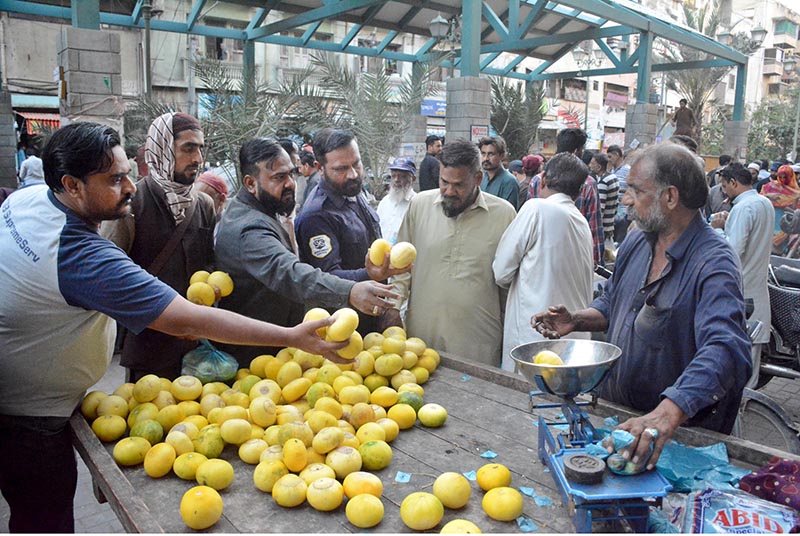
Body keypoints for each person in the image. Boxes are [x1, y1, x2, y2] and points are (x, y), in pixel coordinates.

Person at [0, 122, 346, 533]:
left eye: (128, 172)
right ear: (72, 185)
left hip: (26, 391)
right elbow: (185, 317)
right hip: (30, 416)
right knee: (45, 520)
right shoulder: (80, 255)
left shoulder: (28, 200)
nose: (130, 185)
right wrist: (291, 337)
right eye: (115, 179)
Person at [534, 142, 751, 470]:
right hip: (617, 420)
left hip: (671, 439)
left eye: (635, 190)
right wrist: (576, 319)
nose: (625, 199)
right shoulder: (638, 241)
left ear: (670, 197)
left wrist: (668, 412)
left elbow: (725, 350)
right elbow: (613, 300)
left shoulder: (714, 263)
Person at [214, 137, 398, 365]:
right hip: (256, 359)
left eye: (292, 174)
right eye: (279, 177)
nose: (291, 183)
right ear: (251, 183)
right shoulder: (249, 228)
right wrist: (350, 291)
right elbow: (289, 272)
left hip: (275, 352)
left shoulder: (259, 212)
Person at [101, 112, 217, 381]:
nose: (198, 159)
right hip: (149, 352)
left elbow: (211, 263)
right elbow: (109, 278)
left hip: (198, 349)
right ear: (162, 147)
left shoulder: (203, 205)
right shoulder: (130, 205)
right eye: (188, 149)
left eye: (200, 149)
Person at [383, 139, 516, 366]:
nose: (449, 191)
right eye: (444, 182)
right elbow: (400, 268)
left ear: (478, 179)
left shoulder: (504, 215)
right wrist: (393, 309)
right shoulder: (419, 205)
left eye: (459, 185)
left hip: (478, 343)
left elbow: (508, 283)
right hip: (421, 338)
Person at [295, 128, 406, 335]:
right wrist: (369, 273)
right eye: (341, 169)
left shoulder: (353, 192)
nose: (353, 174)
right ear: (320, 168)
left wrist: (388, 306)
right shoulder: (316, 215)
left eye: (357, 164)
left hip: (375, 316)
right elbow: (325, 278)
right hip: (344, 329)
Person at [493, 152, 594, 371]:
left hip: (536, 335)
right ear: (578, 192)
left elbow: (501, 272)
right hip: (574, 339)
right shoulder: (582, 222)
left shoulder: (536, 208)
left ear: (544, 179)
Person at [710, 163, 774, 387]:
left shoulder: (743, 208)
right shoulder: (764, 202)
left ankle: (739, 409)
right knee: (751, 356)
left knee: (740, 357)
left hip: (743, 290)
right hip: (756, 288)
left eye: (725, 186)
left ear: (734, 183)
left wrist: (717, 227)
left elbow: (732, 251)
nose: (724, 192)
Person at [553, 128, 604, 265]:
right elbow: (593, 227)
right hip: (576, 259)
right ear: (576, 151)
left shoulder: (538, 180)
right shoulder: (587, 183)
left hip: (543, 259)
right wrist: (596, 264)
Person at [376, 157, 417, 244]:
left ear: (413, 179)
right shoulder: (385, 202)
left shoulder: (417, 204)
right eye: (393, 176)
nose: (396, 180)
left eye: (402, 176)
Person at [761, 164, 800, 255]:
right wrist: (768, 196)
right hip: (769, 219)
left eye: (785, 177)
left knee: (779, 251)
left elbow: (796, 211)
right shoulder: (769, 187)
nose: (783, 179)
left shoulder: (796, 192)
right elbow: (759, 199)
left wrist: (794, 201)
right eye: (780, 176)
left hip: (785, 223)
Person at [590, 152, 619, 259]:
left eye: (592, 163)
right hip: (610, 223)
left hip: (603, 227)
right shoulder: (613, 177)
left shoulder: (603, 182)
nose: (590, 166)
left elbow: (600, 208)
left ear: (599, 166)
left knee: (605, 257)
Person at [478, 136, 519, 209]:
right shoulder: (481, 178)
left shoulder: (509, 181)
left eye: (491, 154)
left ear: (502, 155)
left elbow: (509, 213)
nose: (486, 158)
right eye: (483, 153)